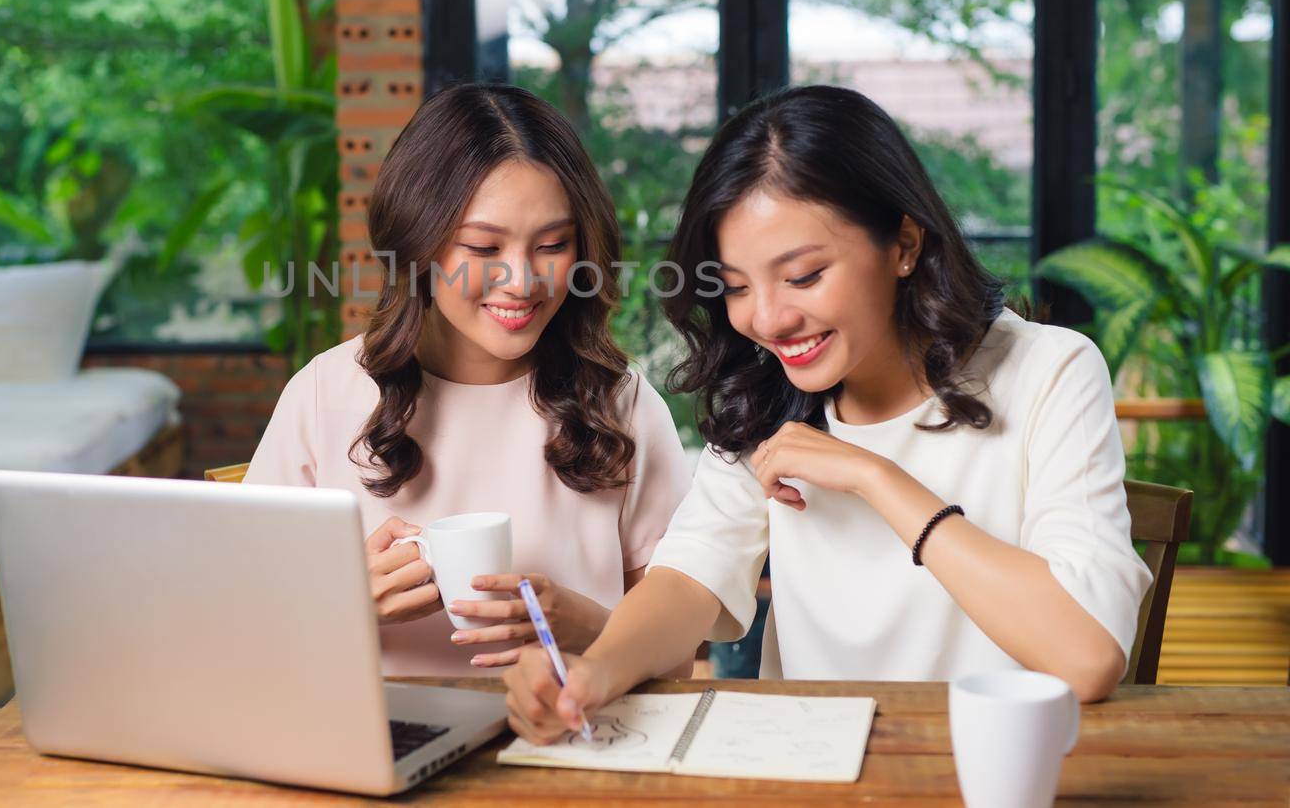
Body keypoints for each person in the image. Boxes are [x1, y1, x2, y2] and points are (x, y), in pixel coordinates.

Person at [503, 85, 1153, 742]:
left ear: (903, 243)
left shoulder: (1049, 371)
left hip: (996, 769)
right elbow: (688, 579)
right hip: (813, 766)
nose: (768, 318)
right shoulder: (763, 396)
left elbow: (1088, 657)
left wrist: (876, 479)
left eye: (805, 275)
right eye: (734, 287)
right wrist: (593, 674)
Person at [245, 82, 691, 676]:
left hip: (572, 746)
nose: (523, 280)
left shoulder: (622, 404)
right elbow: (238, 629)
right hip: (381, 749)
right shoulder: (326, 394)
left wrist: (589, 628)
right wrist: (339, 600)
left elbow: (680, 661)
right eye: (483, 246)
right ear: (417, 245)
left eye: (553, 244)